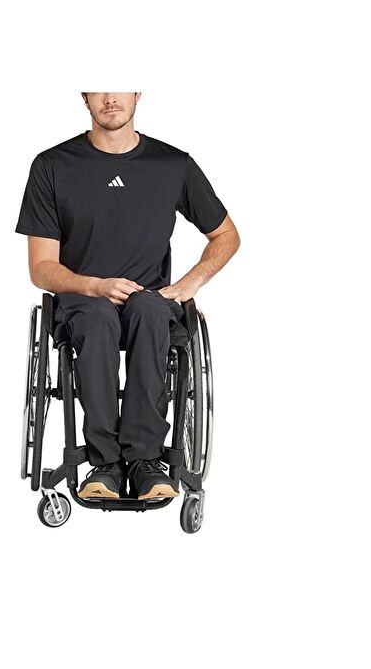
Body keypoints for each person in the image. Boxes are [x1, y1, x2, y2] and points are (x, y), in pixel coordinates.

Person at [15, 92, 240, 501]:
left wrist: (192, 281)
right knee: (98, 317)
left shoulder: (172, 165)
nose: (110, 98)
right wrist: (94, 285)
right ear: (85, 98)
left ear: (137, 92)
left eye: (120, 85)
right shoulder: (53, 165)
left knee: (150, 310)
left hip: (148, 299)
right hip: (83, 299)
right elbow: (41, 268)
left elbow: (226, 235)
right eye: (99, 87)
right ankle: (105, 465)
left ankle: (145, 462)